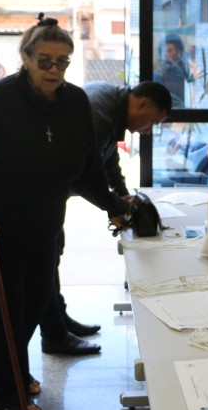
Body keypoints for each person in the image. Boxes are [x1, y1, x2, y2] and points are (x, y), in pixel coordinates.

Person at [0, 14, 129, 410]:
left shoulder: (75, 102)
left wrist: (114, 207)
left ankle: (18, 370)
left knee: (33, 305)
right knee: (3, 314)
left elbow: (88, 166)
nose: (54, 69)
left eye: (63, 61)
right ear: (25, 58)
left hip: (43, 223)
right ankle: (7, 394)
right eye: (45, 60)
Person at [38, 80, 171, 356]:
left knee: (52, 255)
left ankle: (58, 321)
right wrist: (114, 206)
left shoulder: (114, 108)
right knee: (46, 258)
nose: (149, 130)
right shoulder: (101, 111)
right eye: (152, 122)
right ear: (143, 103)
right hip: (42, 191)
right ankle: (54, 333)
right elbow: (86, 172)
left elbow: (107, 160)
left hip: (53, 188)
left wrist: (122, 196)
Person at [154, 34, 194, 108]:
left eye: (169, 51)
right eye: (164, 51)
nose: (165, 54)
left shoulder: (186, 74)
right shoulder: (159, 74)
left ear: (179, 53)